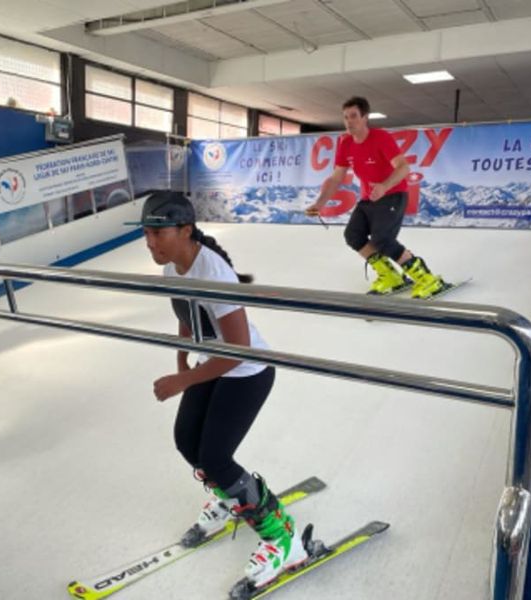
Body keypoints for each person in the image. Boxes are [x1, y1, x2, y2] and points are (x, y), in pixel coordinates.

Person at [132, 190, 307, 590]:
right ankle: (232, 499)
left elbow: (239, 350)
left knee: (214, 456)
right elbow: (186, 315)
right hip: (211, 364)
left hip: (246, 371)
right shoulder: (174, 267)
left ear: (186, 229)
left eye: (158, 232)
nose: (150, 242)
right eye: (146, 233)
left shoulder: (213, 272)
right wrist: (182, 360)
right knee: (186, 441)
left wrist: (183, 381)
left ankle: (284, 539)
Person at [305, 96, 447, 298]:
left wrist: (384, 185)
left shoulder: (381, 137)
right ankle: (390, 276)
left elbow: (403, 167)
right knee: (353, 235)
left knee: (382, 239)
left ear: (365, 117)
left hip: (393, 194)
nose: (349, 121)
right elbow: (336, 178)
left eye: (354, 116)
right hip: (369, 198)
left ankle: (427, 279)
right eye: (345, 117)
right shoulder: (345, 143)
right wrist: (319, 204)